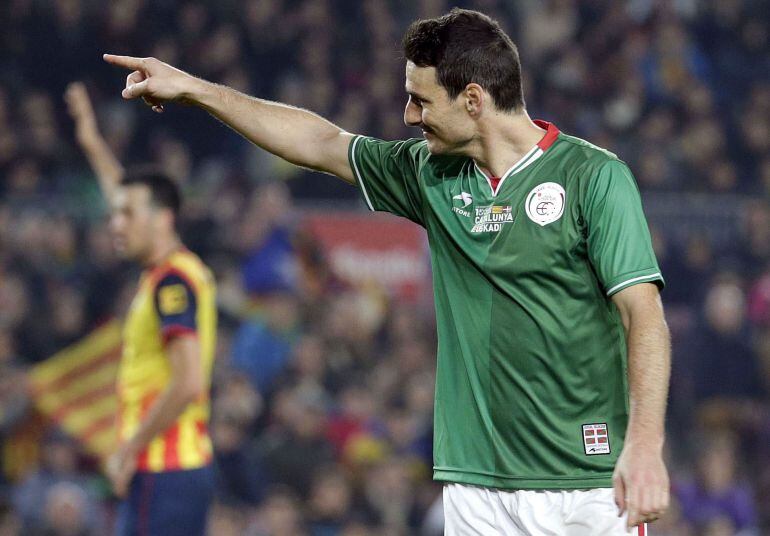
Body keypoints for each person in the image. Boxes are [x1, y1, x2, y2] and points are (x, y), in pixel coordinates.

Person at [103, 8, 670, 535]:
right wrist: (195, 90)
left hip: (587, 483)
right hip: (476, 486)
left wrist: (644, 445)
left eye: (420, 101)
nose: (408, 116)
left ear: (472, 99)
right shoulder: (431, 174)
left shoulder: (593, 177)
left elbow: (643, 316)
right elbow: (322, 143)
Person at [65, 83, 218, 535]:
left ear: (163, 219)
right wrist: (92, 142)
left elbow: (188, 380)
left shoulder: (172, 283)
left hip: (162, 468)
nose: (116, 225)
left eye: (126, 216)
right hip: (177, 468)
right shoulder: (176, 270)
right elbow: (128, 193)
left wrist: (129, 448)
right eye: (115, 214)